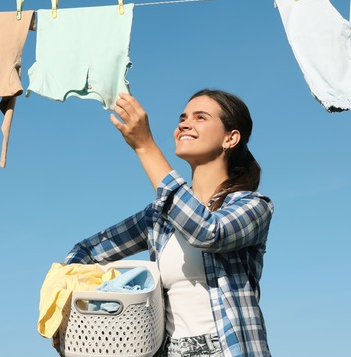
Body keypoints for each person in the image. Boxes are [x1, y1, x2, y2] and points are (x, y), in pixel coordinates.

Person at [59, 89, 274, 357]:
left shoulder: (254, 206)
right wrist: (68, 306)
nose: (184, 123)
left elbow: (207, 232)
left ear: (230, 138)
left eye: (200, 117)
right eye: (183, 117)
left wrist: (145, 146)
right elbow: (88, 251)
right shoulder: (158, 218)